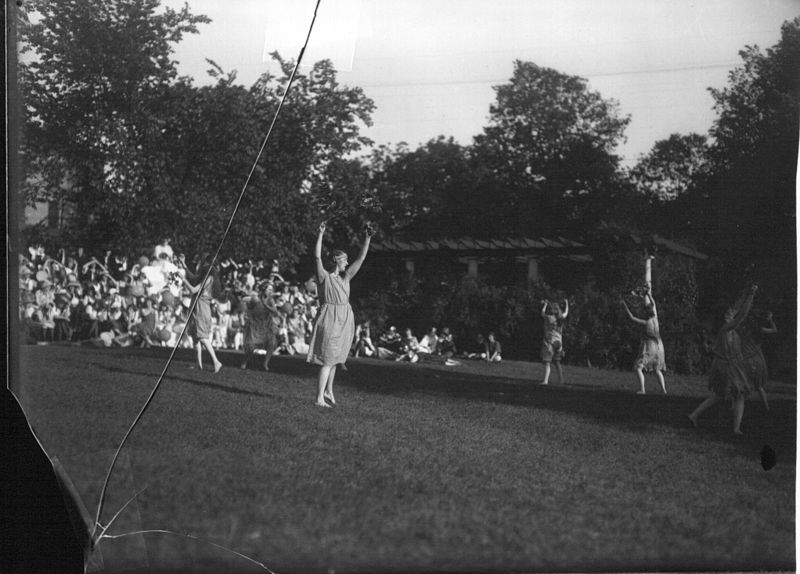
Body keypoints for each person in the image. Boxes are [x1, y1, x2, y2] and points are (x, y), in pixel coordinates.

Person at [307, 221, 373, 407]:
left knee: (336, 358)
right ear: (336, 260)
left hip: (344, 318)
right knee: (328, 358)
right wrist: (320, 235)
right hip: (329, 317)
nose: (347, 262)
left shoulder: (347, 277)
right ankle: (319, 398)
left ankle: (328, 390)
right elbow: (318, 258)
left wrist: (367, 238)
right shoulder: (324, 277)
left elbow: (361, 259)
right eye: (344, 259)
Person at [688, 284, 758, 435]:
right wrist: (751, 296)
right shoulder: (726, 329)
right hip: (727, 366)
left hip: (726, 365)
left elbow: (737, 310)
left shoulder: (728, 330)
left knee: (722, 395)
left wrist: (746, 294)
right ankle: (736, 429)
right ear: (725, 317)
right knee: (739, 395)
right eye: (728, 313)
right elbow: (741, 315)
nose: (731, 314)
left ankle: (694, 415)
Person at [621, 286, 667, 395]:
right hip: (660, 346)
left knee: (638, 367)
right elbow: (654, 303)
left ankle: (642, 389)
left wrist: (624, 305)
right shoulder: (655, 318)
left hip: (650, 345)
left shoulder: (646, 323)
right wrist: (648, 294)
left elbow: (632, 317)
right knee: (657, 370)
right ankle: (663, 390)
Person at [182, 260, 224, 373]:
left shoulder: (208, 279)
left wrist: (183, 279)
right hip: (198, 309)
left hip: (201, 310)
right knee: (196, 338)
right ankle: (199, 365)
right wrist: (184, 265)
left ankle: (216, 361)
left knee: (202, 337)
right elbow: (193, 277)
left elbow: (193, 290)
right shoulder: (210, 279)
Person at [740, 309, 778, 411]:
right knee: (757, 386)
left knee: (744, 383)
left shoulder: (746, 332)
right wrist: (770, 320)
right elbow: (774, 330)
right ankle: (766, 407)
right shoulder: (759, 330)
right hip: (757, 361)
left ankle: (737, 405)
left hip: (749, 361)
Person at [241, 286, 282, 371]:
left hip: (266, 325)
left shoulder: (270, 300)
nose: (270, 291)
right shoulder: (256, 298)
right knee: (251, 347)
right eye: (269, 289)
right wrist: (249, 303)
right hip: (255, 325)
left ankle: (265, 363)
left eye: (271, 289)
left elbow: (275, 312)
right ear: (264, 290)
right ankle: (245, 361)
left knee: (271, 342)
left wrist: (267, 306)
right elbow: (244, 300)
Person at [540, 299, 568, 384]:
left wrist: (545, 305)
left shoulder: (549, 318)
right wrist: (567, 303)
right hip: (559, 343)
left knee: (547, 362)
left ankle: (545, 380)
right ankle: (561, 380)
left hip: (550, 342)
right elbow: (566, 312)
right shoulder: (561, 319)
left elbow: (542, 313)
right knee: (557, 362)